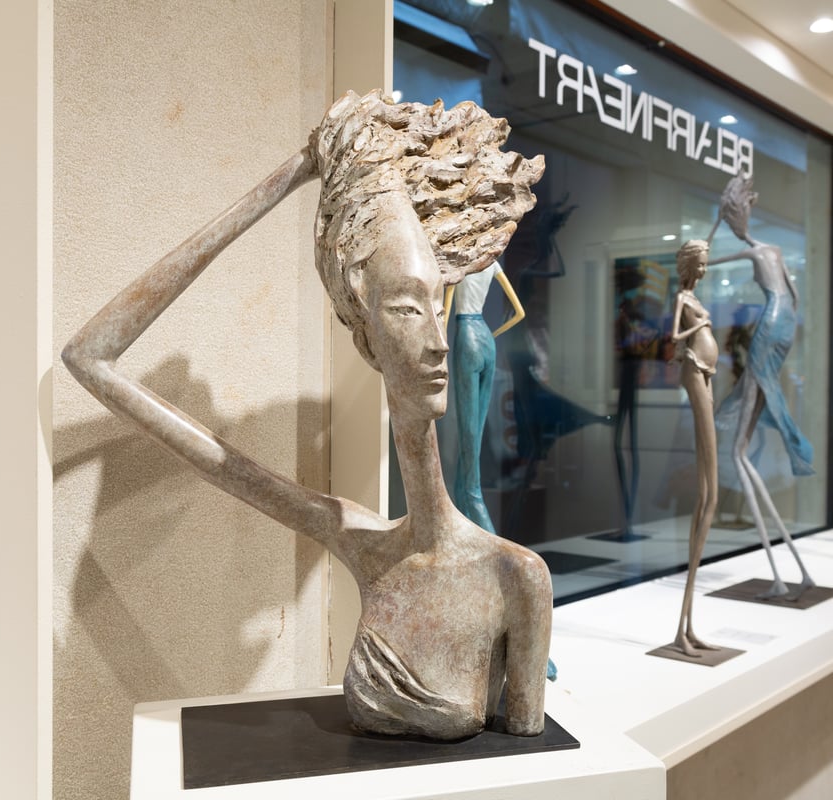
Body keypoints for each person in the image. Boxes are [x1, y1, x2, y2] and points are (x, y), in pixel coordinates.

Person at [62, 91, 551, 740]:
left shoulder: (516, 576)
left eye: (439, 304)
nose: (438, 340)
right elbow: (91, 357)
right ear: (366, 335)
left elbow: (536, 760)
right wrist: (290, 176)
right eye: (408, 309)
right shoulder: (361, 541)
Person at [709, 175, 816, 599]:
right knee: (742, 446)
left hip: (770, 323)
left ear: (736, 219)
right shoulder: (774, 249)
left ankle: (779, 576)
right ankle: (794, 572)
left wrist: (710, 237)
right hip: (784, 323)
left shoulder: (752, 250)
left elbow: (708, 260)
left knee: (738, 451)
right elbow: (794, 296)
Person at [444, 262, 524, 534]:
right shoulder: (493, 263)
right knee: (474, 439)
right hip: (486, 339)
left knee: (469, 437)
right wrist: (493, 335)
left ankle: (490, 539)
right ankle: (462, 528)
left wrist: (440, 343)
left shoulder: (462, 262)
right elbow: (519, 313)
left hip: (466, 337)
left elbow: (445, 313)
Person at [668, 240, 721, 656]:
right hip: (693, 368)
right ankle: (682, 629)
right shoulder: (683, 299)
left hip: (708, 373)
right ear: (688, 264)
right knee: (709, 493)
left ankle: (687, 626)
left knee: (709, 492)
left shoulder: (695, 298)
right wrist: (696, 329)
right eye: (699, 264)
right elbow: (673, 337)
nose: (703, 270)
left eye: (705, 265)